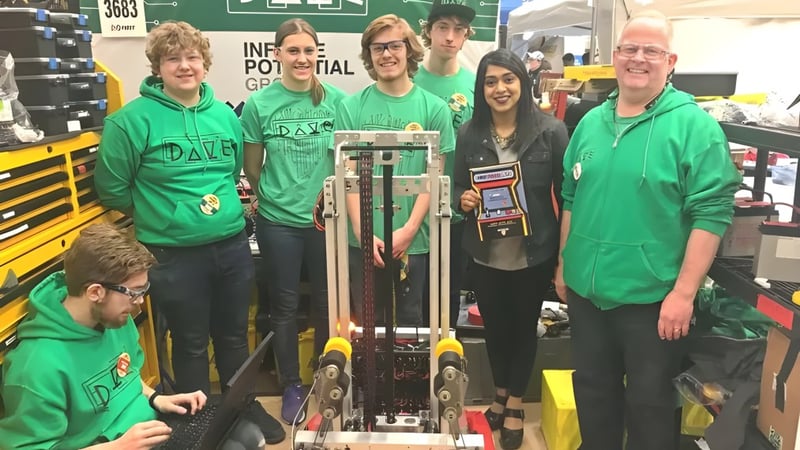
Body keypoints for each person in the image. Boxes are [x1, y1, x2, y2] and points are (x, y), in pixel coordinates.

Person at [555, 10, 740, 450]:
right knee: (593, 394)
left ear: (670, 60)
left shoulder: (694, 127)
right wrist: (565, 265)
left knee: (650, 407)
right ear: (615, 56)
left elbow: (712, 213)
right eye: (630, 49)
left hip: (653, 301)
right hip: (586, 293)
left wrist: (683, 293)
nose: (639, 59)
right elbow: (570, 197)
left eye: (651, 51)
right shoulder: (589, 124)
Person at [94, 21, 284, 443]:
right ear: (157, 67)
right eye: (173, 58)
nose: (184, 66)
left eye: (192, 57)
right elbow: (111, 188)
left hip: (231, 244)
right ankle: (194, 420)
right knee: (191, 342)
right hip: (171, 253)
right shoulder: (129, 122)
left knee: (235, 335)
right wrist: (166, 216)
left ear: (205, 63)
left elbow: (231, 171)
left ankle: (242, 406)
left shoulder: (223, 115)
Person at [0, 224, 267, 449]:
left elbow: (127, 376)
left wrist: (156, 398)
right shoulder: (34, 368)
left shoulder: (115, 318)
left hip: (147, 427)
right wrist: (117, 447)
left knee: (248, 434)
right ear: (95, 292)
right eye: (134, 292)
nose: (140, 302)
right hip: (113, 445)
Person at [455, 48, 568, 450]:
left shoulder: (551, 131)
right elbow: (455, 188)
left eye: (508, 79)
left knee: (523, 329)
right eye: (490, 81)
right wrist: (463, 200)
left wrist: (563, 258)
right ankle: (501, 393)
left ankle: (515, 403)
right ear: (481, 88)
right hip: (485, 252)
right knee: (496, 329)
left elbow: (566, 196)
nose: (500, 88)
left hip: (532, 252)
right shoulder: (469, 134)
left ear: (523, 82)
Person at [240, 18, 346, 426]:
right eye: (293, 50)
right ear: (277, 54)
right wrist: (279, 202)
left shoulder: (338, 101)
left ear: (317, 54)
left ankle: (325, 377)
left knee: (326, 304)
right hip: (278, 223)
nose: (302, 58)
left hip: (327, 220)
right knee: (282, 306)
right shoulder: (259, 104)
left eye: (308, 50)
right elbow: (252, 168)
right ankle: (291, 384)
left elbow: (346, 162)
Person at [336, 14, 456, 327]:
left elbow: (435, 177)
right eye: (378, 48)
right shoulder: (350, 108)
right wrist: (364, 232)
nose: (387, 54)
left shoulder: (435, 109)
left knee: (410, 324)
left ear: (409, 50)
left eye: (394, 46)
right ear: (369, 55)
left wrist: (410, 229)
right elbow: (346, 176)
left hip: (413, 241)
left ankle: (412, 380)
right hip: (362, 241)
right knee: (366, 323)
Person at [415, 0, 476, 328]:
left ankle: (443, 366)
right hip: (411, 210)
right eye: (443, 28)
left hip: (455, 210)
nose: (450, 37)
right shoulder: (409, 81)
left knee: (449, 293)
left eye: (458, 30)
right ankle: (411, 367)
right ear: (428, 31)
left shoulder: (476, 85)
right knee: (412, 295)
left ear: (466, 36)